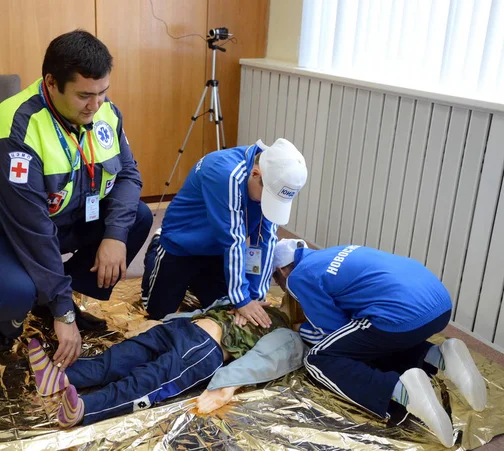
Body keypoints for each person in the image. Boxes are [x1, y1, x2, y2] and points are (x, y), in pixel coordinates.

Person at [0, 30, 153, 368]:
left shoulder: (104, 112)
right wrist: (65, 313)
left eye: (102, 93)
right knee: (14, 293)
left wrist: (114, 236)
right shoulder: (16, 129)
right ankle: (4, 319)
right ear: (51, 83)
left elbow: (128, 175)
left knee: (135, 218)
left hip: (56, 217)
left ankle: (44, 299)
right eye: (84, 96)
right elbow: (32, 229)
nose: (95, 106)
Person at [271, 239, 488, 448]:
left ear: (282, 271)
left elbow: (332, 330)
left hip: (399, 317)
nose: (281, 287)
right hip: (439, 304)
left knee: (320, 358)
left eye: (276, 280)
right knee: (368, 337)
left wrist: (300, 329)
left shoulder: (299, 276)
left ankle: (402, 391)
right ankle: (438, 355)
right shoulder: (332, 253)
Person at [27, 297, 307, 427]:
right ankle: (63, 378)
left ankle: (84, 404)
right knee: (132, 367)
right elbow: (264, 357)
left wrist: (226, 386)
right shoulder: (264, 309)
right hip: (193, 337)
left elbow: (263, 359)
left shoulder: (281, 328)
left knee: (135, 373)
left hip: (197, 341)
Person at [142, 138, 308, 327]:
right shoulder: (225, 173)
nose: (266, 205)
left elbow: (264, 240)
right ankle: (156, 246)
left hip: (217, 250)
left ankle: (198, 280)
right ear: (255, 174)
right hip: (182, 245)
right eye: (267, 198)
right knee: (157, 315)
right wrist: (243, 300)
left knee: (225, 313)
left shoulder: (272, 177)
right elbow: (234, 241)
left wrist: (254, 297)